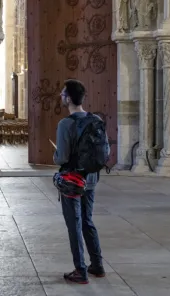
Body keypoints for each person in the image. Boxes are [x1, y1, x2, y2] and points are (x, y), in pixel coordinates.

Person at [54, 79, 110, 284]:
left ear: (68, 98)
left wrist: (55, 155)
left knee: (74, 224)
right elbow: (106, 151)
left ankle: (80, 270)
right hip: (92, 179)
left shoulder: (65, 124)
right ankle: (97, 265)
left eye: (62, 94)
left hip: (72, 180)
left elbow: (61, 158)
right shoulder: (95, 119)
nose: (61, 97)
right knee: (87, 221)